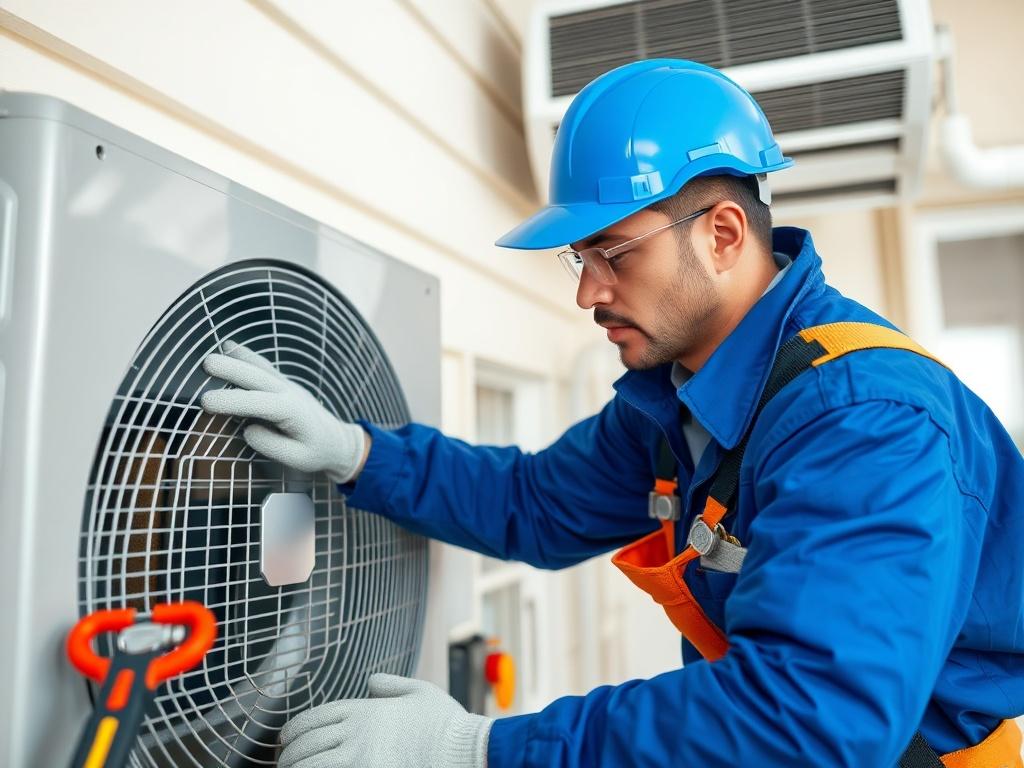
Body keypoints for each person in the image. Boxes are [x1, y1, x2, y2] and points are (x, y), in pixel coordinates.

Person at [200, 59, 1024, 767]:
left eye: (614, 254)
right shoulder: (674, 398)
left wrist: (476, 749)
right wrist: (355, 454)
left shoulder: (867, 423)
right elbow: (533, 503)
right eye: (580, 258)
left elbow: (806, 724)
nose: (590, 292)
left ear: (725, 234)